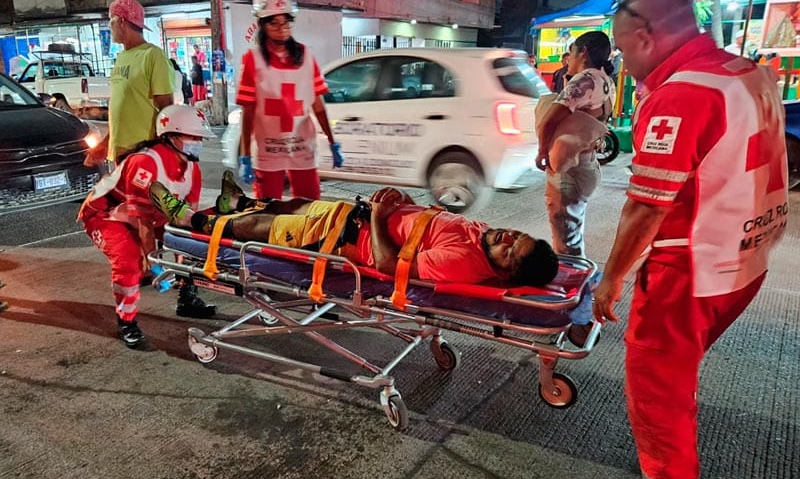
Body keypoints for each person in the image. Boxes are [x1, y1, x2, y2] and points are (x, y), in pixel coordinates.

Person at [595, 0, 788, 479]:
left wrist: (611, 281)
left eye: (623, 48)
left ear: (646, 36)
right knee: (678, 374)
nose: (623, 63)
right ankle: (670, 441)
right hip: (747, 260)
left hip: (693, 267)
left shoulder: (682, 94)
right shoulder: (747, 73)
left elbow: (644, 210)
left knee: (655, 378)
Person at [149, 177, 560, 288]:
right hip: (351, 215)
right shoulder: (481, 234)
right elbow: (421, 223)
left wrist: (380, 217)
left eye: (510, 251)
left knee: (260, 229)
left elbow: (387, 265)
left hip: (345, 236)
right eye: (514, 235)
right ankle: (233, 205)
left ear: (505, 274)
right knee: (287, 204)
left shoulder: (463, 264)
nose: (505, 237)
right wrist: (398, 200)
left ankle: (190, 221)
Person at [78, 106, 218, 349]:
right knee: (130, 262)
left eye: (200, 138)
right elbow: (142, 221)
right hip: (106, 215)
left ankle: (187, 297)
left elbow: (184, 220)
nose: (198, 143)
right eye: (193, 137)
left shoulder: (192, 168)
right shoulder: (145, 163)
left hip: (149, 216)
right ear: (171, 136)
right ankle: (127, 321)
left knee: (193, 241)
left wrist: (181, 263)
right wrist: (155, 263)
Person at [236, 0, 341, 201]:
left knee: (310, 212)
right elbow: (248, 112)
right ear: (262, 25)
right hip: (268, 152)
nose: (282, 28)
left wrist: (332, 142)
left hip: (302, 149)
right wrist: (245, 155)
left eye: (286, 22)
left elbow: (318, 106)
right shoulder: (252, 61)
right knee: (268, 215)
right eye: (274, 23)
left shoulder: (306, 56)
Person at [536, 31, 616, 258]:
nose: (568, 58)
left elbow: (550, 119)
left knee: (565, 242)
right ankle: (577, 283)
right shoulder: (604, 79)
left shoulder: (586, 80)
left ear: (583, 52)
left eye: (571, 52)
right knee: (572, 233)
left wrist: (542, 151)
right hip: (587, 163)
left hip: (570, 167)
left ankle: (572, 287)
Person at [85, 0, 174, 169]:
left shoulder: (152, 55)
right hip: (120, 153)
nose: (110, 28)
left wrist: (162, 151)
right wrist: (105, 144)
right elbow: (123, 109)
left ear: (122, 21)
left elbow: (166, 107)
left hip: (144, 153)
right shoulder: (121, 58)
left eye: (111, 21)